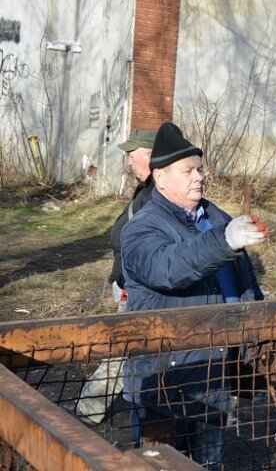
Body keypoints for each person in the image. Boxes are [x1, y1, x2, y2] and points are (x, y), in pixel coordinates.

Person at [120, 122, 266, 467]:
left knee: (209, 463)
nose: (199, 176)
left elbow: (243, 280)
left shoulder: (216, 216)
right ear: (161, 178)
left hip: (216, 370)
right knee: (160, 464)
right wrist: (224, 240)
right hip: (167, 378)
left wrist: (257, 329)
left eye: (200, 168)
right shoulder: (142, 227)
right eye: (188, 170)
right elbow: (168, 269)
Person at [76, 128, 157, 425]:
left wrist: (128, 284)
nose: (128, 162)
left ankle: (86, 414)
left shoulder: (157, 193)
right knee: (125, 353)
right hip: (129, 286)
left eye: (131, 156)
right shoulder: (147, 189)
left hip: (138, 290)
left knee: (120, 353)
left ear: (150, 155)